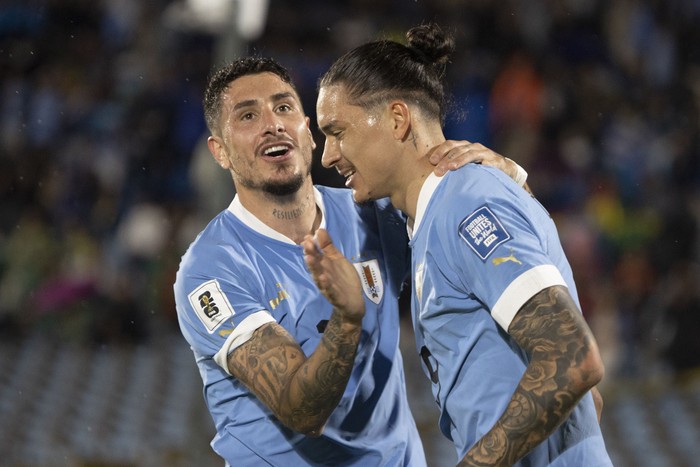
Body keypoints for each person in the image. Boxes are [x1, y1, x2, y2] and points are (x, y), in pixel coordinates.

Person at [173, 56, 527, 466]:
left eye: (284, 107)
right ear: (220, 152)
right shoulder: (211, 269)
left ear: (308, 132)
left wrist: (509, 179)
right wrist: (347, 317)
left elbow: (495, 245)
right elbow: (302, 410)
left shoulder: (373, 213)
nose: (273, 124)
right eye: (248, 115)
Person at [308, 23, 612, 466]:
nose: (328, 155)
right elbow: (591, 401)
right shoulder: (443, 211)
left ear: (398, 118)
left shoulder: (464, 204)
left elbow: (572, 356)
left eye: (338, 131)